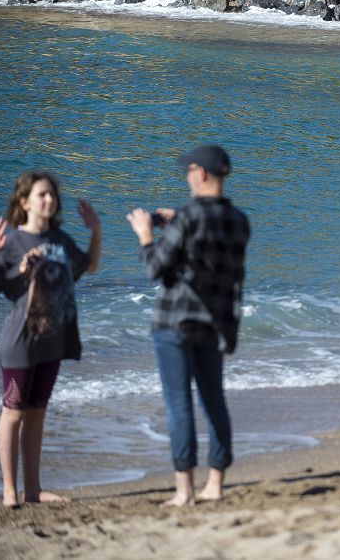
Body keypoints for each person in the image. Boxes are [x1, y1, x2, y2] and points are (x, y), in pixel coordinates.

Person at [126, 145, 250, 507]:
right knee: (214, 400)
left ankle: (184, 492)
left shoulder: (189, 218)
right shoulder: (240, 221)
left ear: (203, 174)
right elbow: (211, 242)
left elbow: (155, 268)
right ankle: (216, 484)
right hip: (215, 324)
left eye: (189, 170)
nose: (186, 176)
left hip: (174, 321)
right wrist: (177, 219)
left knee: (178, 403)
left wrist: (146, 233)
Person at [0, 170, 101, 507]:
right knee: (12, 413)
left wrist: (96, 230)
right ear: (24, 201)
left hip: (53, 340)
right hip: (21, 342)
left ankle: (33, 489)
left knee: (37, 414)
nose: (49, 200)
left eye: (52, 195)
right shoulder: (12, 241)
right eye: (42, 194)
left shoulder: (61, 240)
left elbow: (90, 266)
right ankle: (10, 491)